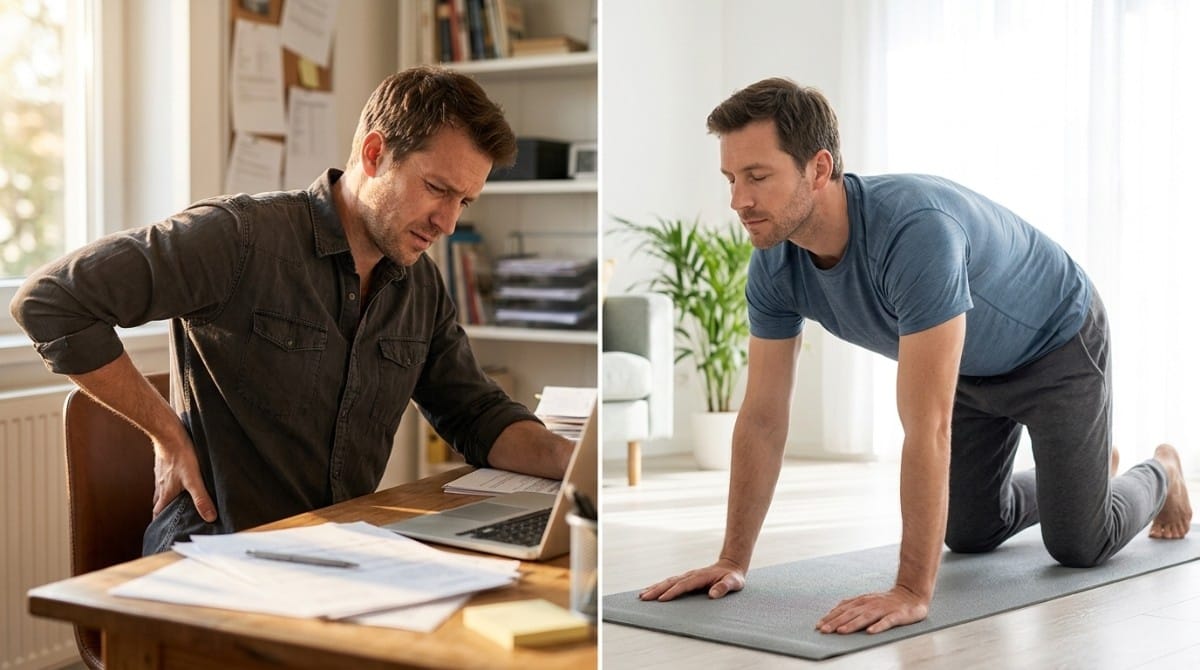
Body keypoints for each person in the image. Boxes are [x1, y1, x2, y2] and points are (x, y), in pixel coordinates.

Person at [639, 77, 1193, 635]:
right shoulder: (775, 264)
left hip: (1057, 344)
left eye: (757, 177)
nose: (739, 200)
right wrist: (732, 560)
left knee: (1079, 544)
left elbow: (927, 426)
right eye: (731, 179)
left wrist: (910, 590)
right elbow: (762, 418)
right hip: (973, 366)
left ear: (819, 168)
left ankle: (1159, 471)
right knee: (971, 533)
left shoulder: (915, 232)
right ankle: (1084, 475)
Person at [10, 66, 575, 555]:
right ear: (375, 154)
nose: (448, 223)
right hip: (216, 554)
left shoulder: (419, 285)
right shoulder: (238, 237)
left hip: (337, 551)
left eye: (465, 201)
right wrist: (167, 433)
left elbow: (475, 414)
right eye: (436, 189)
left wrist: (573, 459)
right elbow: (50, 300)